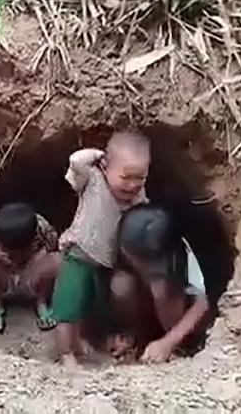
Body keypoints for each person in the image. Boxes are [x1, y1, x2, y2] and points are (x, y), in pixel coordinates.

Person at [51, 131, 150, 369]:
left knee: (92, 306)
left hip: (106, 263)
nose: (133, 185)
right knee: (68, 308)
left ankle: (84, 342)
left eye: (141, 178)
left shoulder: (137, 197)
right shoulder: (93, 180)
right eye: (126, 177)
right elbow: (76, 161)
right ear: (105, 167)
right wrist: (98, 154)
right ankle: (66, 354)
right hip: (78, 256)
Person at [110, 204, 210, 363]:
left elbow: (202, 302)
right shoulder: (121, 245)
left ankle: (181, 347)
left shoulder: (183, 255)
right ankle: (132, 338)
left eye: (150, 262)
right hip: (140, 304)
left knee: (162, 291)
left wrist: (168, 341)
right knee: (121, 285)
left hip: (172, 308)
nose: (144, 266)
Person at [0, 203, 60, 333]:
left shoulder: (42, 227)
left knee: (57, 260)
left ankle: (42, 302)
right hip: (3, 271)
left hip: (31, 269)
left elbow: (53, 247)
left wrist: (33, 258)